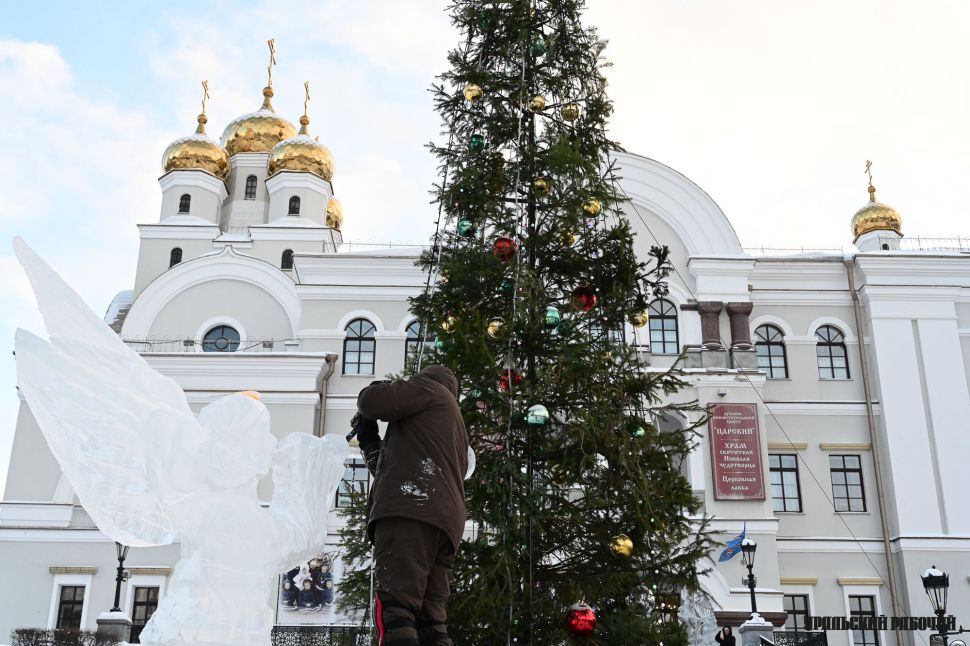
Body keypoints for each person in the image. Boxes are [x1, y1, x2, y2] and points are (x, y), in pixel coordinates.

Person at [355, 365, 468, 646]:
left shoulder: (429, 389)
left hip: (410, 510)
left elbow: (370, 401)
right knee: (432, 623)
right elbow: (392, 469)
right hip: (444, 524)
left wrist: (377, 390)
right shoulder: (453, 425)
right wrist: (369, 439)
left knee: (397, 610)